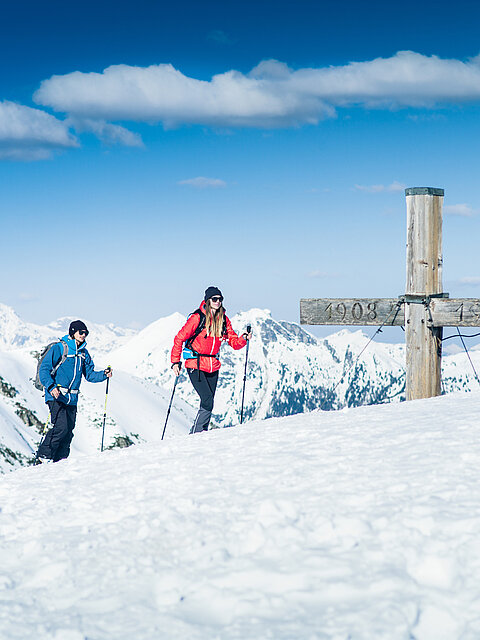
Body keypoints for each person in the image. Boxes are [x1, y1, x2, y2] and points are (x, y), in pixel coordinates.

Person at [171, 287, 251, 433]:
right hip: (195, 363)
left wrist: (244, 339)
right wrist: (175, 362)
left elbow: (233, 342)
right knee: (207, 400)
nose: (218, 302)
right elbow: (179, 338)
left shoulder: (224, 320)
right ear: (208, 300)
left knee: (208, 402)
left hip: (212, 365)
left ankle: (201, 432)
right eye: (214, 299)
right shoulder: (197, 318)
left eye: (220, 299)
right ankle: (197, 433)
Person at [37, 320, 113, 462]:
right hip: (56, 395)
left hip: (71, 399)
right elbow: (44, 370)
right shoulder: (60, 348)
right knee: (61, 427)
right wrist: (51, 387)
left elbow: (89, 375)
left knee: (68, 431)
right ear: (73, 332)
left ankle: (60, 460)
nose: (84, 335)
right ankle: (44, 456)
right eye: (81, 332)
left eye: (86, 333)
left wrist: (104, 374)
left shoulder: (84, 353)